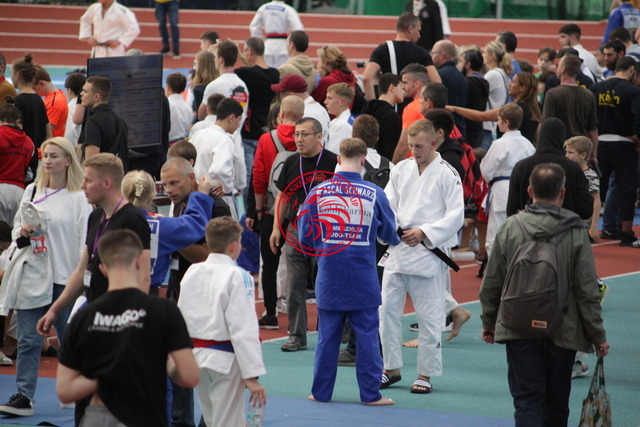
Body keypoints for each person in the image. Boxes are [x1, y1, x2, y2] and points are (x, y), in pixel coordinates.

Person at [479, 162, 609, 426]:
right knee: (557, 405)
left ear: (529, 191)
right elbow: (587, 289)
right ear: (563, 193)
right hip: (563, 328)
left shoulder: (510, 227)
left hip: (518, 325)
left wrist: (490, 321)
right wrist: (597, 335)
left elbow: (492, 281)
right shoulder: (576, 231)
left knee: (527, 401)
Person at [56, 229, 199, 426]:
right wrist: (163, 364)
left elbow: (65, 391)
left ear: (102, 269)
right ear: (140, 262)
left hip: (98, 415)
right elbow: (190, 376)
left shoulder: (83, 317)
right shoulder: (164, 311)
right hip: (145, 415)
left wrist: (107, 377)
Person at [299, 138, 399, 406]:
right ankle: (370, 394)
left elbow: (304, 235)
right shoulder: (375, 193)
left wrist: (324, 247)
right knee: (367, 338)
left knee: (327, 338)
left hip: (329, 276)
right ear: (363, 160)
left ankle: (320, 393)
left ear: (338, 159)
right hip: (363, 277)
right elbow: (391, 234)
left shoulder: (318, 192)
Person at [0, 137, 91, 417]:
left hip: (65, 277)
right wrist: (22, 232)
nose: (48, 160)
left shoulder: (79, 198)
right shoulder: (31, 190)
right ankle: (24, 396)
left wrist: (82, 278)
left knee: (69, 339)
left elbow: (84, 240)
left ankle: (73, 391)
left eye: (54, 155)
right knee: (28, 339)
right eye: (45, 155)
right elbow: (16, 228)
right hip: (33, 273)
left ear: (68, 160)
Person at [379, 119, 464, 394]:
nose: (414, 151)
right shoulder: (401, 169)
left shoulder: (447, 173)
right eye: (411, 146)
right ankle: (390, 369)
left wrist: (425, 232)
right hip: (398, 248)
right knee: (386, 312)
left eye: (419, 146)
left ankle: (425, 374)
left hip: (427, 252)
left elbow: (456, 215)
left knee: (429, 317)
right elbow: (387, 205)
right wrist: (391, 229)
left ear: (433, 143)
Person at [160, 155, 231, 427]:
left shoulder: (215, 206)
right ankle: (182, 421)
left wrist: (171, 238)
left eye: (174, 183)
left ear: (192, 178)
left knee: (208, 368)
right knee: (177, 362)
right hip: (179, 292)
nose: (169, 190)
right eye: (165, 185)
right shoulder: (178, 203)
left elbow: (212, 256)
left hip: (209, 301)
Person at [178, 217, 266, 426]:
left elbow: (180, 315)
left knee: (211, 420)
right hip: (225, 361)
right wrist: (251, 375)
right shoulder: (238, 275)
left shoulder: (192, 271)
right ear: (233, 246)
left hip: (196, 358)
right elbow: (243, 327)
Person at [269, 117, 338, 352]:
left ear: (319, 137)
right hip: (295, 230)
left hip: (324, 232)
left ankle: (328, 334)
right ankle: (296, 335)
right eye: (296, 134)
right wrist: (276, 227)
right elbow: (283, 196)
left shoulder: (333, 162)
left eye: (304, 134)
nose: (298, 139)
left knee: (326, 284)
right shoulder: (291, 162)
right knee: (294, 286)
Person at [251, 95, 304, 329]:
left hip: (272, 209)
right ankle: (299, 317)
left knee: (270, 264)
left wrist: (259, 207)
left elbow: (259, 175)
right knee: (300, 264)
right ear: (302, 117)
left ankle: (271, 313)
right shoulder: (308, 139)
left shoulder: (266, 139)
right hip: (299, 212)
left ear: (280, 114)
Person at [121, 170, 212, 295]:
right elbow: (195, 224)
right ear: (152, 195)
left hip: (111, 294)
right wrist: (201, 195)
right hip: (148, 296)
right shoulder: (160, 225)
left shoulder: (108, 221)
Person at [589, 56, 640, 245]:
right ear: (632, 69)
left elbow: (589, 114)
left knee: (595, 189)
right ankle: (626, 233)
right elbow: (638, 117)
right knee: (627, 190)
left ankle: (589, 228)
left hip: (600, 143)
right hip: (624, 145)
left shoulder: (596, 88)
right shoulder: (633, 91)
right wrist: (636, 137)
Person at [506, 118, 593, 220]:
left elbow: (511, 210)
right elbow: (586, 210)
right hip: (564, 227)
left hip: (528, 227)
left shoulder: (521, 167)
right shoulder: (574, 168)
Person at [478, 103, 535, 256]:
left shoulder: (499, 144)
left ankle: (497, 268)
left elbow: (486, 171)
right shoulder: (528, 144)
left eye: (499, 120)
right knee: (520, 233)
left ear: (506, 122)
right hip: (523, 191)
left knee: (496, 235)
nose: (497, 123)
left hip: (502, 190)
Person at [234, 37, 280, 196]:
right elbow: (257, 73)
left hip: (248, 131)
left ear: (250, 52)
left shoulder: (244, 73)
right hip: (266, 131)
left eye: (244, 51)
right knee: (264, 175)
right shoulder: (275, 74)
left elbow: (246, 73)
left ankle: (248, 208)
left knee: (247, 177)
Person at [363, 12, 440, 103]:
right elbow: (436, 82)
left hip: (390, 106)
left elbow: (366, 78)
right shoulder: (421, 53)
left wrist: (373, 105)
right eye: (418, 31)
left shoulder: (382, 50)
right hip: (413, 107)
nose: (419, 35)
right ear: (410, 29)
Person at [447, 71, 540, 145]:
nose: (509, 85)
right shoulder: (534, 111)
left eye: (513, 82)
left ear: (522, 87)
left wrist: (454, 109)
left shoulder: (513, 109)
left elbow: (480, 116)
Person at [191, 98, 244, 220]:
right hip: (218, 198)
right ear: (231, 118)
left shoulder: (198, 134)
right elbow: (219, 170)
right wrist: (227, 187)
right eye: (239, 120)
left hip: (196, 194)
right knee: (224, 231)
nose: (238, 125)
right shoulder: (223, 139)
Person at [542, 54, 598, 157]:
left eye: (558, 65)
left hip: (559, 148)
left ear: (563, 69)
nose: (556, 68)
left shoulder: (553, 93)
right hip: (581, 150)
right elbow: (592, 128)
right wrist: (593, 154)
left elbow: (546, 124)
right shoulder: (589, 95)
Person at [11, 54, 51, 178]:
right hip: (37, 158)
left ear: (17, 75)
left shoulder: (18, 101)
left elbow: (15, 133)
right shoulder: (39, 100)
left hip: (23, 158)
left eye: (11, 74)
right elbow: (49, 133)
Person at [77, 76, 128, 165]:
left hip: (101, 173)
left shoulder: (92, 123)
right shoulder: (120, 121)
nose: (81, 94)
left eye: (85, 91)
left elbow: (91, 163)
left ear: (96, 97)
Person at [0, 101, 34, 225]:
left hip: (1, 185)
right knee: (16, 231)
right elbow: (29, 173)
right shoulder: (29, 142)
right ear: (17, 120)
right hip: (20, 191)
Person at [271, 74, 331, 146]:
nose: (281, 100)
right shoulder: (319, 108)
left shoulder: (306, 114)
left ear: (291, 95)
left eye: (281, 95)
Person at [564, 136, 601, 242]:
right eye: (566, 152)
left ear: (583, 155)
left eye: (570, 152)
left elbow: (596, 200)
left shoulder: (590, 175)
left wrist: (593, 227)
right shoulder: (568, 172)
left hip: (583, 224)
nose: (566, 155)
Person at [249, 0, 304, 68]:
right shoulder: (288, 9)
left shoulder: (263, 8)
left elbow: (254, 27)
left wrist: (260, 42)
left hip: (267, 46)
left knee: (266, 71)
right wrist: (291, 43)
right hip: (283, 47)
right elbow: (298, 29)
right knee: (282, 71)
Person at [362, 72, 404, 160]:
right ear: (392, 87)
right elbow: (390, 150)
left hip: (363, 159)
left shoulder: (366, 108)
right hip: (382, 164)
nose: (404, 92)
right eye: (401, 87)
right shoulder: (392, 116)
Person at [481, 41, 512, 149]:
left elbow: (480, 93)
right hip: (494, 124)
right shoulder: (502, 73)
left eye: (485, 52)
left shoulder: (492, 75)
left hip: (488, 125)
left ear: (492, 55)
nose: (483, 55)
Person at [431, 40, 467, 134]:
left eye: (433, 53)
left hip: (445, 129)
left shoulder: (438, 76)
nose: (431, 56)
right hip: (459, 128)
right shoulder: (461, 76)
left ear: (442, 54)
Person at [458, 48, 489, 148]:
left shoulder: (466, 83)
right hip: (478, 129)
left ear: (468, 64)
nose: (458, 65)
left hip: (467, 131)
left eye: (461, 61)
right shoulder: (484, 82)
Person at [32, 65, 68, 139]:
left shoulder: (54, 102)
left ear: (41, 83)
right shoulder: (56, 96)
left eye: (33, 88)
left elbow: (46, 131)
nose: (33, 91)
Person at [325, 83, 355, 154]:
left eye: (329, 98)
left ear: (342, 101)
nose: (325, 102)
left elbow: (332, 154)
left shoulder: (341, 126)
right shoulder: (346, 120)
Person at [191, 50, 218, 119]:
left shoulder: (199, 89)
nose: (194, 67)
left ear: (201, 66)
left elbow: (199, 116)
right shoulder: (219, 82)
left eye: (195, 64)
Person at [166, 72, 192, 143]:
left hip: (168, 143)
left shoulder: (167, 105)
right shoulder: (188, 106)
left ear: (168, 87)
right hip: (184, 142)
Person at [63, 73, 86, 147]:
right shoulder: (89, 106)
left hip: (75, 148)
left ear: (69, 90)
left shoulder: (69, 108)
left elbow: (69, 133)